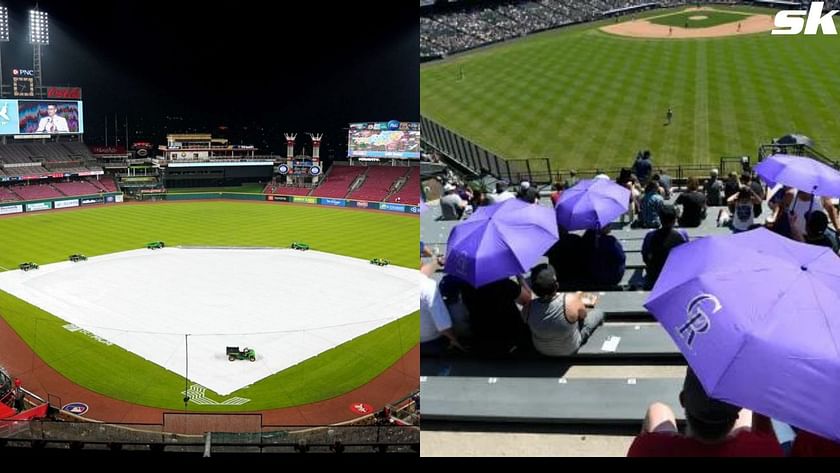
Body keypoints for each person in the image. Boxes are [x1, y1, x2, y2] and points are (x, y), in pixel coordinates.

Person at [627, 368, 784, 457]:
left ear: (682, 400)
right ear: (737, 410)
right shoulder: (766, 450)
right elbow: (765, 435)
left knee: (658, 409)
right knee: (746, 423)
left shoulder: (646, 448)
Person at [521, 263, 605, 357]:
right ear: (557, 285)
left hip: (541, 350)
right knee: (598, 313)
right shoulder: (570, 300)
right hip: (570, 349)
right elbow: (583, 316)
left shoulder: (527, 308)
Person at [420, 260, 465, 355]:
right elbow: (443, 325)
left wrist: (435, 262)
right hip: (428, 342)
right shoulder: (428, 285)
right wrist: (455, 339)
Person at [642, 205, 689, 289]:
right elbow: (687, 257)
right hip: (677, 277)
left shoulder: (650, 236)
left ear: (660, 219)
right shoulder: (682, 235)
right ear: (675, 219)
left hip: (655, 277)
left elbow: (645, 257)